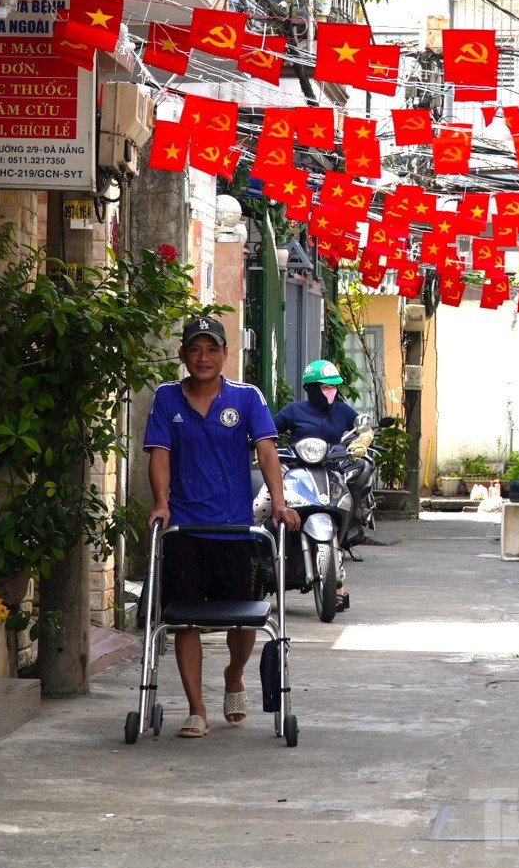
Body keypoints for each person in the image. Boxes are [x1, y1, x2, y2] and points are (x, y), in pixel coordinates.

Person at [145, 316, 299, 739]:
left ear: (226, 354)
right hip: (184, 529)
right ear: (183, 356)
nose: (203, 358)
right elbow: (159, 454)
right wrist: (161, 503)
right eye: (195, 349)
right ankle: (196, 709)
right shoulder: (166, 399)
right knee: (185, 620)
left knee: (244, 622)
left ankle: (234, 676)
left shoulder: (247, 398)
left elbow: (267, 453)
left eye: (211, 349)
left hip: (235, 529)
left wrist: (279, 504)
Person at [271, 359, 359, 606]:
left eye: (334, 387)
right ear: (311, 389)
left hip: (330, 475)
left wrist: (363, 440)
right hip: (295, 475)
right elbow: (268, 431)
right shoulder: (293, 411)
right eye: (325, 387)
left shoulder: (342, 411)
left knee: (345, 507)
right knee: (260, 506)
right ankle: (255, 558)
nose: (331, 392)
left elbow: (363, 429)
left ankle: (337, 583)